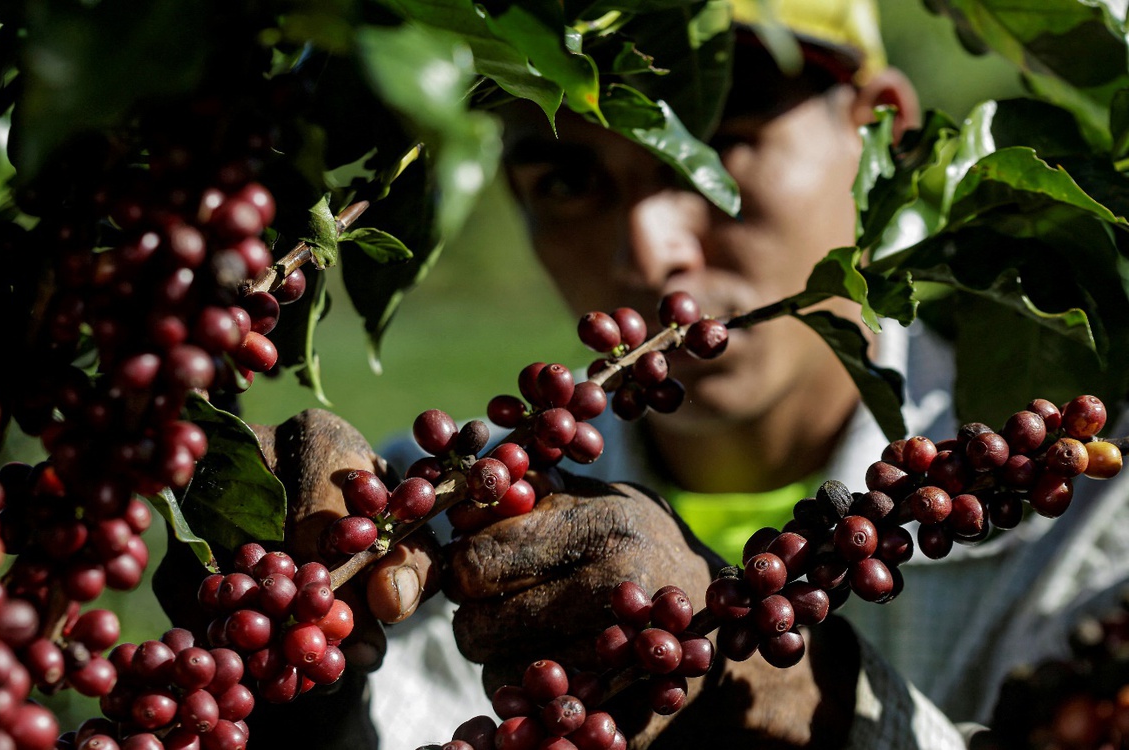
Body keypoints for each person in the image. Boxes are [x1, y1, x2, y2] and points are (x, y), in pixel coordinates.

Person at [365, 1, 1129, 748]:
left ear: (882, 138)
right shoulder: (422, 521)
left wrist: (822, 709)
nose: (650, 252)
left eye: (712, 152)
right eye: (568, 183)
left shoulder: (1094, 512)